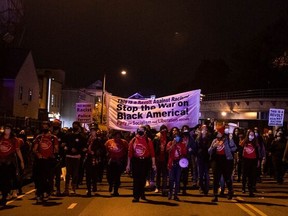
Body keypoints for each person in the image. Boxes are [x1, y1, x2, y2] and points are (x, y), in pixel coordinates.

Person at [126, 125, 156, 203]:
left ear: (145, 131)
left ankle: (142, 193)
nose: (140, 131)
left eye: (142, 130)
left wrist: (153, 164)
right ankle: (136, 196)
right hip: (136, 161)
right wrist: (128, 165)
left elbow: (152, 153)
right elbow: (130, 153)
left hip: (145, 162)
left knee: (143, 179)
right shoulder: (133, 140)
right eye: (139, 129)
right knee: (136, 179)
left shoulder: (148, 140)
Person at [32, 121, 59, 203]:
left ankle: (46, 192)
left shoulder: (53, 138)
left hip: (49, 161)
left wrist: (53, 153)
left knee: (48, 178)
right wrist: (38, 154)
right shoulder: (39, 137)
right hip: (41, 160)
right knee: (40, 178)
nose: (45, 127)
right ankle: (40, 193)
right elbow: (34, 149)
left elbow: (56, 149)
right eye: (43, 126)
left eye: (46, 126)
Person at [209, 126, 237, 202]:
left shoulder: (227, 140)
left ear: (222, 133)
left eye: (218, 132)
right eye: (217, 132)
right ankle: (215, 195)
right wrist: (213, 147)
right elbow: (209, 151)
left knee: (227, 178)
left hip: (226, 161)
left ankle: (230, 192)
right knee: (216, 179)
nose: (217, 133)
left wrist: (231, 139)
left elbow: (234, 148)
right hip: (216, 161)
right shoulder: (214, 140)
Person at [0, 124, 25, 206]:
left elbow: (18, 150)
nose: (6, 130)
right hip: (1, 161)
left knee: (6, 179)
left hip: (9, 162)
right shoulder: (1, 138)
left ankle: (5, 196)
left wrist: (21, 161)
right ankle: (4, 194)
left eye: (8, 129)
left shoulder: (14, 140)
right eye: (5, 129)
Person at [63, 121, 87, 196]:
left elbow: (84, 147)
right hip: (69, 156)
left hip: (77, 157)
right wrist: (69, 149)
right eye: (74, 125)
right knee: (68, 173)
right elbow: (64, 144)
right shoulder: (68, 135)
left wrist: (78, 150)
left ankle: (73, 188)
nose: (75, 127)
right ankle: (66, 189)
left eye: (76, 126)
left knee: (75, 173)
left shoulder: (81, 137)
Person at [105, 130, 128, 196]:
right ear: (113, 136)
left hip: (119, 162)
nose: (117, 138)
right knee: (109, 176)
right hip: (111, 161)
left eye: (119, 136)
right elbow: (105, 150)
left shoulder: (124, 142)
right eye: (116, 136)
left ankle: (115, 191)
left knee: (117, 177)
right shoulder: (108, 142)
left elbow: (127, 151)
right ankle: (110, 184)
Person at [85, 123, 106, 196]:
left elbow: (102, 149)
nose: (92, 132)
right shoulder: (87, 138)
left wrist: (97, 152)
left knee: (94, 174)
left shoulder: (99, 139)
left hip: (95, 159)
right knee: (88, 175)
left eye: (94, 130)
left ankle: (94, 186)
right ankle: (88, 189)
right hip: (88, 158)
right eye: (91, 130)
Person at [166, 127, 187, 201]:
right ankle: (170, 193)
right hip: (171, 163)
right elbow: (168, 151)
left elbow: (184, 153)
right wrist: (173, 144)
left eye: (177, 137)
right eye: (175, 137)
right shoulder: (169, 143)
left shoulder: (182, 144)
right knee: (171, 179)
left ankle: (175, 195)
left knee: (177, 180)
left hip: (178, 163)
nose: (176, 138)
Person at [240, 130, 259, 197]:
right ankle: (243, 188)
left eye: (252, 135)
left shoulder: (255, 143)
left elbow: (257, 153)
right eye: (250, 135)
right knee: (245, 175)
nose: (251, 136)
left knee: (251, 176)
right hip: (245, 160)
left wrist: (258, 161)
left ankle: (250, 190)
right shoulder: (244, 142)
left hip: (253, 161)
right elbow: (240, 149)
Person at [153, 124, 170, 196]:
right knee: (158, 174)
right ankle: (157, 187)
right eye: (162, 129)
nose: (164, 130)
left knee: (165, 174)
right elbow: (153, 149)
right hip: (158, 158)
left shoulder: (169, 138)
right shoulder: (156, 138)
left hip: (165, 159)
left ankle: (164, 188)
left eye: (165, 129)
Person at [181, 125, 197, 195]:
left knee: (185, 173)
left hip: (187, 157)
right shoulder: (180, 138)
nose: (185, 130)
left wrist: (191, 150)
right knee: (180, 173)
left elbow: (194, 147)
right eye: (184, 129)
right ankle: (179, 187)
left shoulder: (191, 139)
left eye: (186, 129)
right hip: (180, 157)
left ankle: (184, 188)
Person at [51, 119, 66, 196]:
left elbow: (63, 145)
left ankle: (58, 189)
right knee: (50, 174)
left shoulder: (62, 135)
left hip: (58, 156)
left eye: (57, 125)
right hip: (50, 156)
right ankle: (51, 189)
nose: (55, 126)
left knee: (58, 174)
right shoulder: (50, 135)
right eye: (54, 125)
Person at [196, 125, 212, 195]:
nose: (204, 130)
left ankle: (206, 188)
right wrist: (200, 137)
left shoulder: (209, 137)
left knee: (206, 174)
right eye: (203, 129)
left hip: (207, 157)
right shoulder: (198, 138)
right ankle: (201, 187)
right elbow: (196, 146)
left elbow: (209, 147)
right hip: (200, 157)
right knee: (200, 174)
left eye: (205, 129)